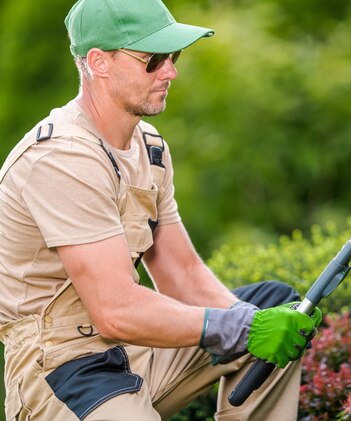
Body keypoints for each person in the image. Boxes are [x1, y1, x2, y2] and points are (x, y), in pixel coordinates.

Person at [0, 0, 322, 419]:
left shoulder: (148, 147)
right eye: (152, 60)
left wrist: (255, 326)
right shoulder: (60, 158)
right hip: (61, 364)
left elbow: (182, 274)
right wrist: (242, 328)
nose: (170, 72)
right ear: (99, 62)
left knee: (276, 306)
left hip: (129, 347)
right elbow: (115, 309)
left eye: (174, 56)